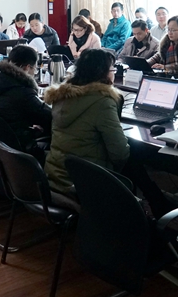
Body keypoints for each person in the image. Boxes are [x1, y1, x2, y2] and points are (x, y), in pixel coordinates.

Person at [43, 49, 129, 198]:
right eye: (112, 70)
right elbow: (120, 153)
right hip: (85, 182)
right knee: (133, 161)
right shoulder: (102, 101)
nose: (114, 73)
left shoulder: (61, 96)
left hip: (54, 176)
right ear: (103, 73)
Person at [0, 45, 52, 161]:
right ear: (27, 68)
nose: (34, 73)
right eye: (34, 69)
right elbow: (49, 116)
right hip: (20, 148)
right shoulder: (22, 90)